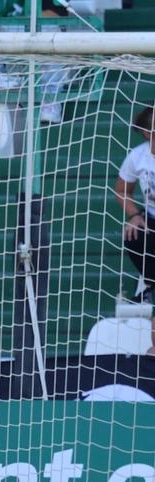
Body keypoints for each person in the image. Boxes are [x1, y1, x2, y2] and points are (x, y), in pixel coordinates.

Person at [114, 104, 155, 354]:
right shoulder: (138, 156)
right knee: (134, 233)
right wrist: (135, 215)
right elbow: (121, 190)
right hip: (152, 222)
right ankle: (150, 285)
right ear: (148, 133)